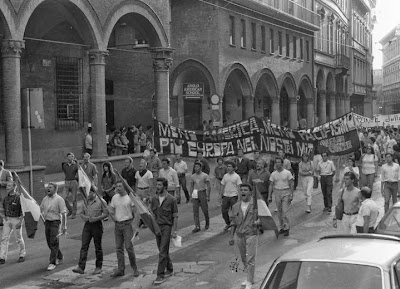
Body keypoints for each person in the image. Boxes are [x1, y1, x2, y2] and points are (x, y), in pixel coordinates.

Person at [72, 186, 108, 275]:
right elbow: (81, 213)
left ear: (94, 192)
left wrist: (97, 218)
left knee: (97, 246)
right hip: (87, 225)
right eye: (87, 193)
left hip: (97, 225)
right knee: (84, 245)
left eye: (90, 193)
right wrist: (85, 218)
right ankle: (81, 267)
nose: (88, 195)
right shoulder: (85, 202)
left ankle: (98, 267)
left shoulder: (101, 201)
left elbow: (106, 214)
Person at [229, 184, 259, 289]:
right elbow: (233, 222)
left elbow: (263, 218)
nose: (243, 192)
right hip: (240, 235)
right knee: (244, 258)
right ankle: (248, 277)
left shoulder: (255, 205)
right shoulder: (235, 206)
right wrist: (231, 237)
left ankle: (250, 281)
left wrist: (258, 222)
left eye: (245, 190)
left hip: (251, 234)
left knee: (250, 258)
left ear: (250, 192)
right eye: (241, 190)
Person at [108, 181, 139, 278]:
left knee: (129, 247)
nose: (118, 188)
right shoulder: (114, 198)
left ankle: (135, 268)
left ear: (124, 187)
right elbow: (112, 209)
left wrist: (135, 226)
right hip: (118, 225)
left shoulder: (129, 198)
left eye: (120, 186)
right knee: (118, 248)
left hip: (127, 224)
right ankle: (120, 269)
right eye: (117, 186)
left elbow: (136, 212)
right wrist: (112, 214)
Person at [151, 178, 178, 285]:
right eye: (156, 185)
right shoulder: (154, 199)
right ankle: (170, 268)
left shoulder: (172, 199)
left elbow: (175, 216)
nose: (157, 187)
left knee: (162, 251)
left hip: (167, 227)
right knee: (162, 249)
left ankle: (160, 275)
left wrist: (174, 230)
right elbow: (152, 213)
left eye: (159, 185)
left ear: (165, 186)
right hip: (157, 227)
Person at [40, 183, 67, 271]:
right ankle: (60, 256)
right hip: (47, 222)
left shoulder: (59, 199)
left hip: (55, 222)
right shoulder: (45, 199)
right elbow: (40, 209)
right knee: (49, 243)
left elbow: (63, 213)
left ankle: (52, 263)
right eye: (47, 187)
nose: (48, 189)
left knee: (54, 242)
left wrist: (64, 226)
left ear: (55, 189)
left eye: (50, 187)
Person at [0, 181, 25, 264]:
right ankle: (2, 257)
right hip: (7, 220)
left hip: (16, 219)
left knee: (18, 238)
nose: (7, 187)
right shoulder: (5, 198)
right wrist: (4, 218)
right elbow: (1, 208)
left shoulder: (19, 197)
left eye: (9, 186)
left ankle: (22, 254)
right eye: (7, 185)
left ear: (14, 187)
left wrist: (20, 221)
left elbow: (23, 211)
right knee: (4, 238)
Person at [268, 157, 294, 236]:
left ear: (282, 163)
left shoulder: (287, 173)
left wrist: (291, 194)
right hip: (277, 192)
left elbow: (291, 183)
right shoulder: (273, 174)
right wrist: (269, 196)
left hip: (285, 191)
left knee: (284, 211)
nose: (277, 164)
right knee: (279, 211)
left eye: (279, 162)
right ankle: (282, 227)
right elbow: (271, 185)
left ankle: (286, 228)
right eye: (276, 162)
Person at [220, 161, 242, 231]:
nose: (228, 168)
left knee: (234, 212)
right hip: (226, 196)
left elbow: (239, 187)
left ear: (233, 168)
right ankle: (228, 223)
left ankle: (236, 224)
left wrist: (239, 197)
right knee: (224, 211)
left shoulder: (237, 176)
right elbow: (222, 185)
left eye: (230, 167)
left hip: (234, 196)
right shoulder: (225, 176)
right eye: (228, 166)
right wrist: (221, 194)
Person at [190, 162, 211, 233]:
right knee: (195, 211)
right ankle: (197, 226)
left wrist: (208, 195)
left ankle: (207, 221)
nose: (196, 168)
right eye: (195, 167)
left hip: (202, 192)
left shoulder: (205, 175)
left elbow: (208, 186)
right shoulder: (193, 176)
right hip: (195, 192)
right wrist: (191, 195)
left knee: (205, 209)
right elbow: (191, 186)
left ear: (200, 168)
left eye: (198, 167)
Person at [61, 152, 78, 218]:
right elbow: (64, 170)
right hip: (67, 182)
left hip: (74, 182)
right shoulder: (64, 165)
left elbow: (79, 172)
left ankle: (74, 213)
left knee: (74, 199)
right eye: (69, 157)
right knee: (64, 198)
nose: (70, 158)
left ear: (73, 157)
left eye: (71, 157)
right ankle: (70, 209)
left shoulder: (76, 165)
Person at [0, 160, 13, 226]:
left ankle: (6, 221)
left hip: (4, 193)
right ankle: (1, 222)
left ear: (1, 165)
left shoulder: (7, 172)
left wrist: (1, 183)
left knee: (5, 207)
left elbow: (10, 182)